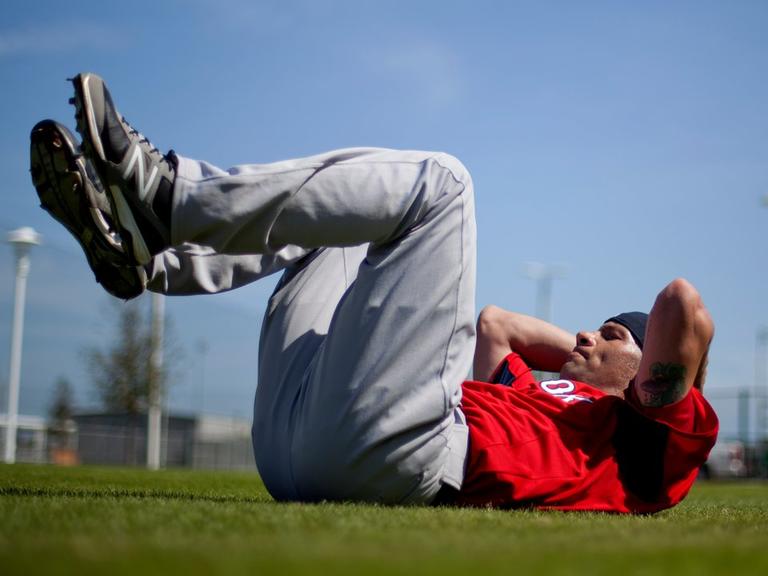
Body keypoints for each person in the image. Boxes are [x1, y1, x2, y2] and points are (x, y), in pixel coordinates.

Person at [30, 72, 718, 513]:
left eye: (612, 335)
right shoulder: (534, 395)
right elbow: (496, 324)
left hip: (405, 460)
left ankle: (172, 195)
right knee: (344, 219)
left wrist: (646, 383)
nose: (589, 336)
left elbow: (680, 306)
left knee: (445, 182)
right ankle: (154, 258)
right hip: (298, 449)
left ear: (650, 372)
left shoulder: (646, 451)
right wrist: (580, 356)